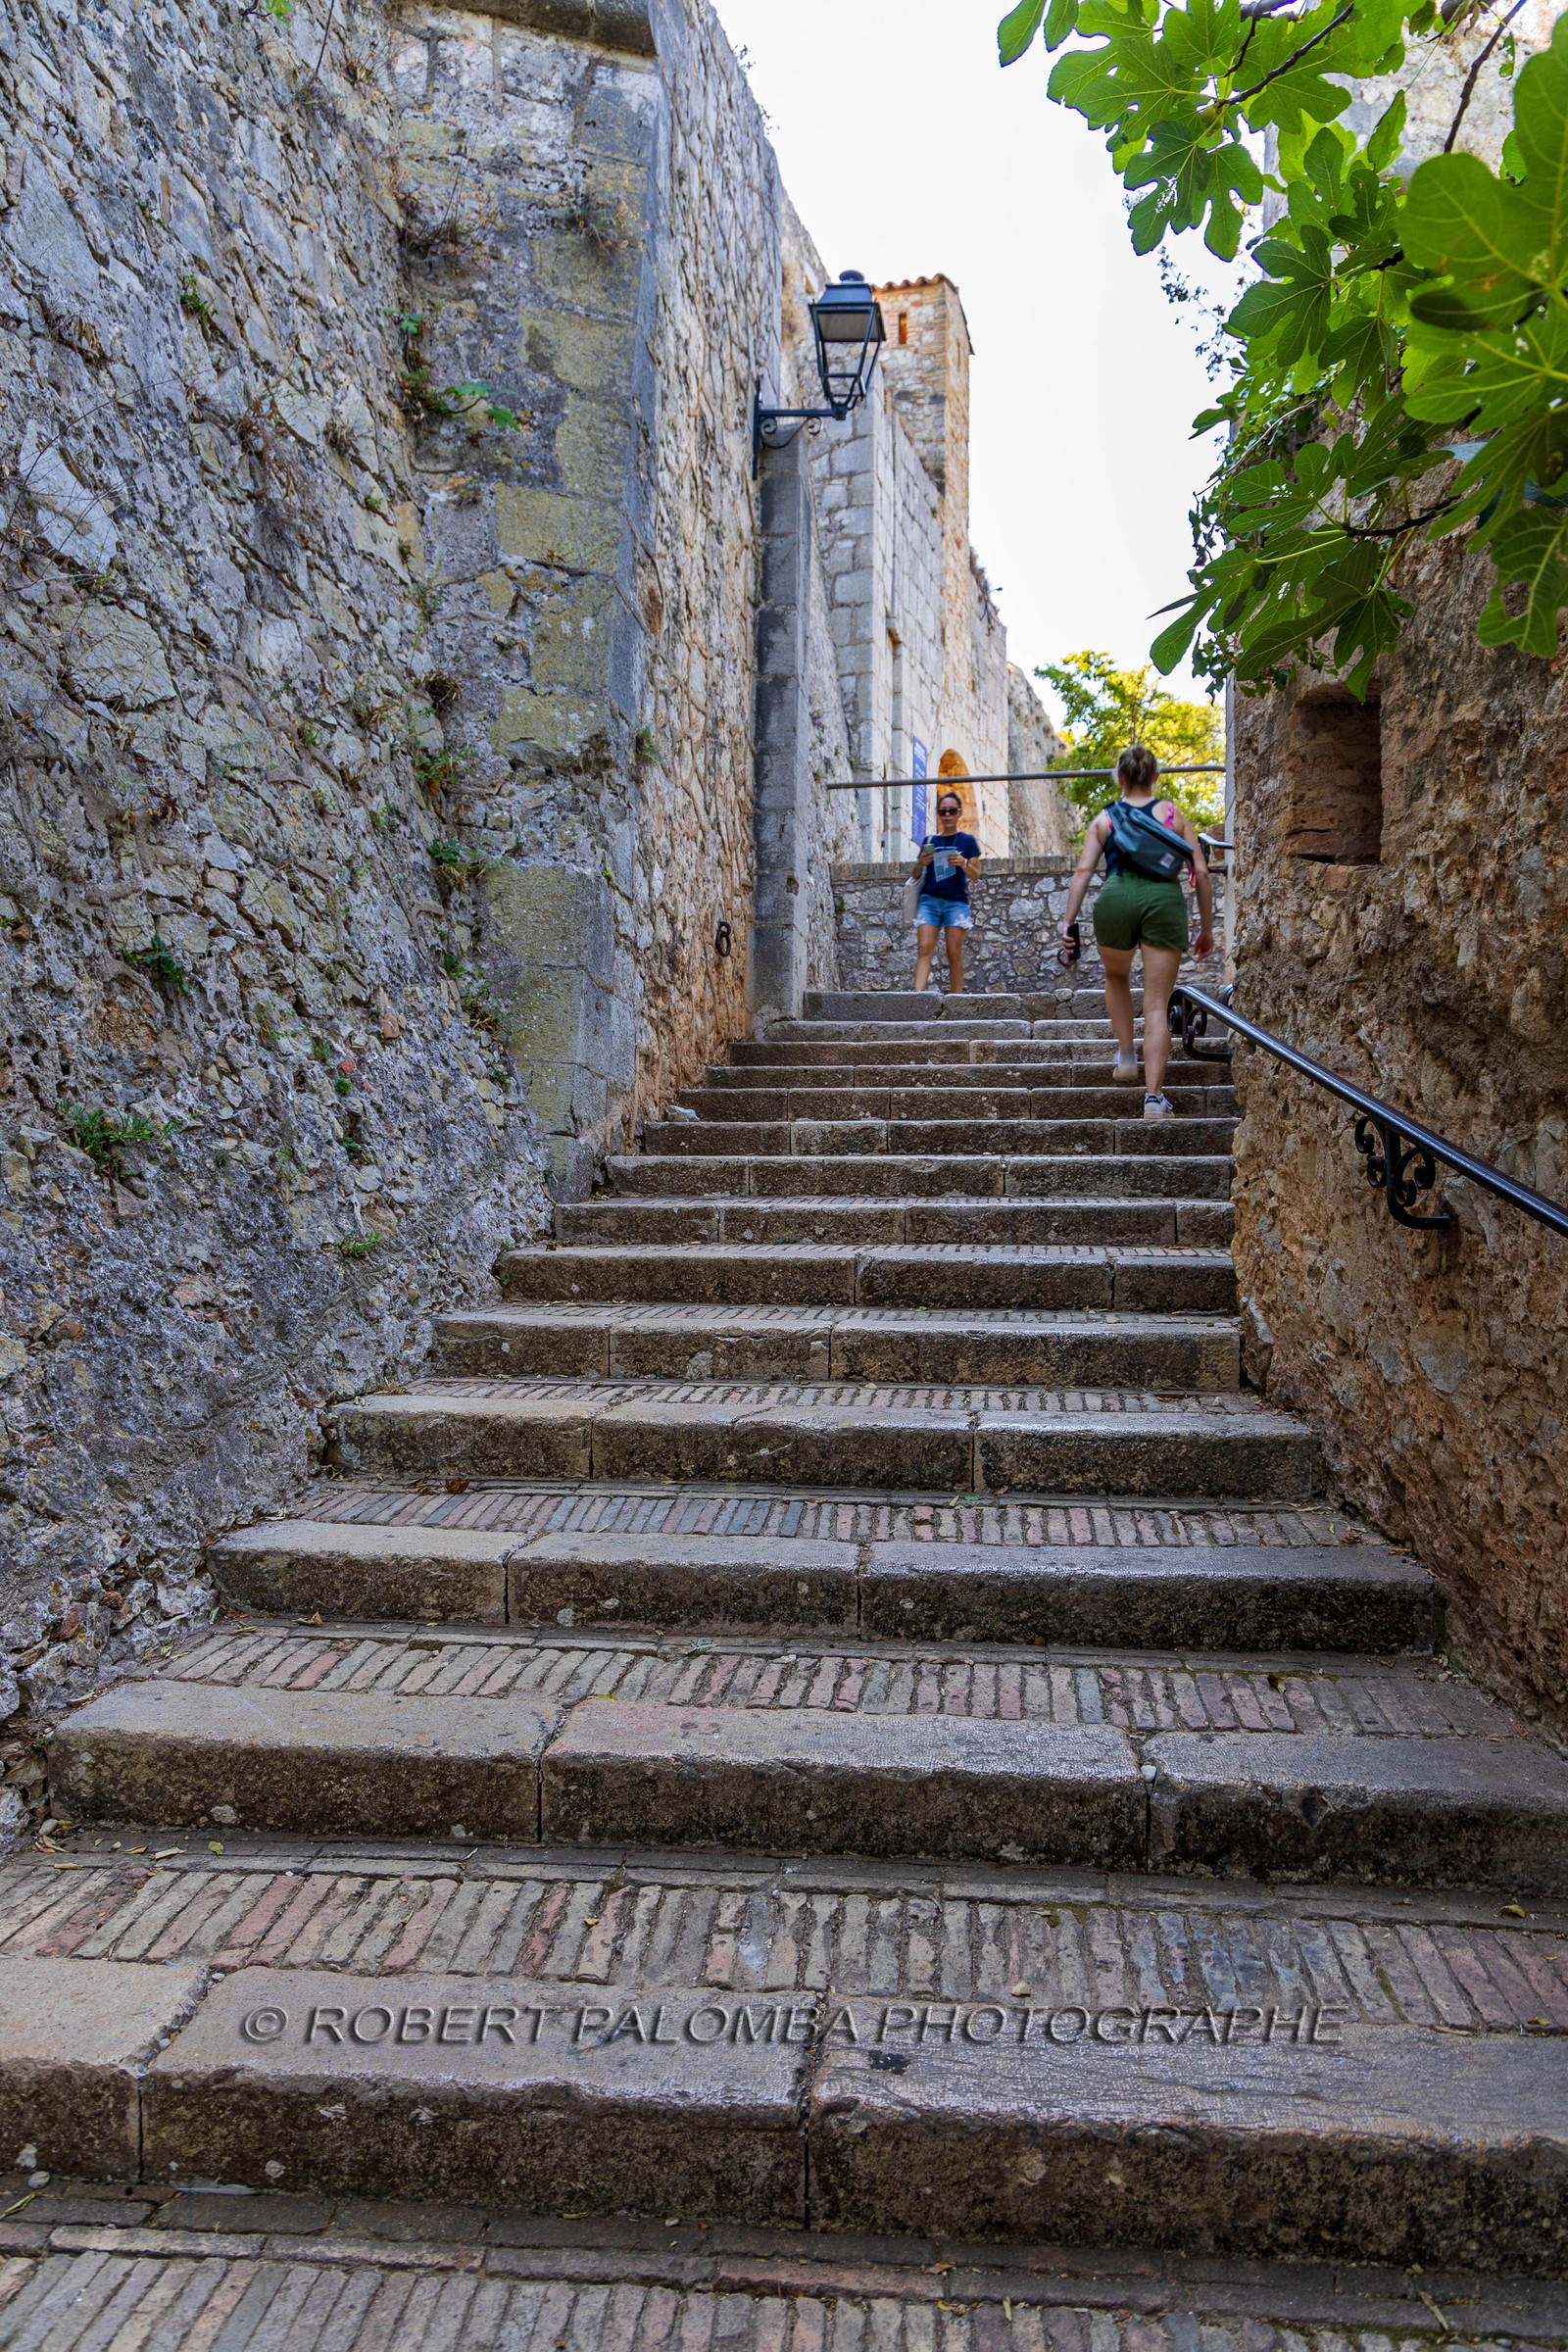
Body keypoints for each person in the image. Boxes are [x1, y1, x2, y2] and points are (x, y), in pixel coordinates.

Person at [1058, 744, 1214, 1121]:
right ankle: (1153, 1099)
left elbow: (1083, 873)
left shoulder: (1105, 819)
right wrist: (1207, 928)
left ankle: (1126, 1055)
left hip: (1116, 897)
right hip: (1163, 900)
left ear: (1120, 777)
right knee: (1158, 1003)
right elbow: (1202, 874)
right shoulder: (1174, 816)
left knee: (1117, 976)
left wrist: (1068, 923)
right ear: (1156, 777)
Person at [910, 791, 981, 996]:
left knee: (954, 952)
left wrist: (963, 863)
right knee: (924, 948)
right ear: (938, 814)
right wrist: (920, 863)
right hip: (929, 900)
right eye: (943, 811)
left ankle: (956, 999)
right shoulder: (930, 840)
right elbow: (915, 875)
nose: (947, 815)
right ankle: (917, 999)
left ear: (959, 813)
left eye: (951, 811)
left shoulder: (967, 842)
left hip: (956, 902)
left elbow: (976, 875)